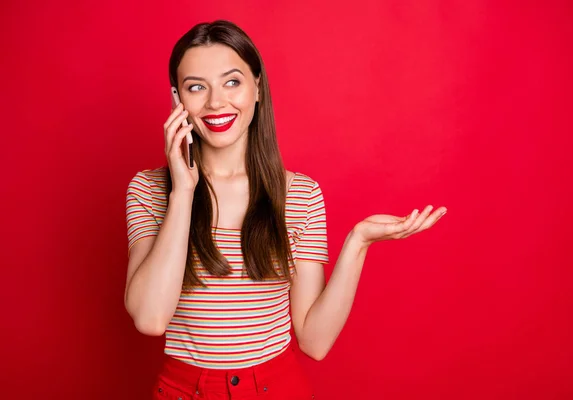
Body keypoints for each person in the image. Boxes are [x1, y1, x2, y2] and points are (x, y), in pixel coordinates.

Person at [124, 20, 447, 400]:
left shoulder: (301, 195)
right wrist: (183, 191)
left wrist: (358, 243)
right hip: (184, 391)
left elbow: (314, 340)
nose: (215, 102)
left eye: (232, 82)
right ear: (177, 100)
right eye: (197, 87)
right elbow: (150, 318)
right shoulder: (149, 189)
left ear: (257, 87)